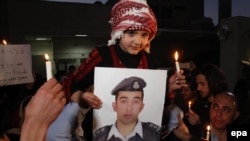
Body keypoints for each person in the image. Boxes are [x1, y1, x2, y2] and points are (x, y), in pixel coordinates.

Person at [54, 0, 186, 140]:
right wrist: (82, 97)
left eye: (144, 35)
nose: (138, 41)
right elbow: (70, 84)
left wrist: (169, 89)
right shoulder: (101, 55)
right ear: (119, 31)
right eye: (131, 33)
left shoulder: (150, 60)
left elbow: (155, 105)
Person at [94, 76, 161, 141]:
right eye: (124, 101)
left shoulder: (155, 135)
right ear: (114, 106)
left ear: (141, 107)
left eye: (135, 102)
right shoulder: (99, 137)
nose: (129, 109)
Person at [173, 91, 240, 141]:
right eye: (215, 107)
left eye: (226, 110)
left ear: (236, 115)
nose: (218, 114)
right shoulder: (193, 132)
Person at [184, 64, 228, 135]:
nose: (198, 88)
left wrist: (200, 123)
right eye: (197, 84)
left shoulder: (223, 104)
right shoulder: (201, 101)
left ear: (213, 83)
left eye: (202, 84)